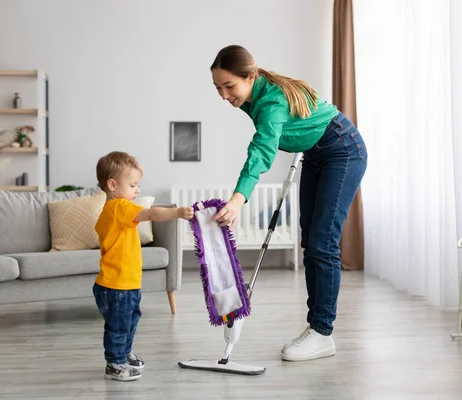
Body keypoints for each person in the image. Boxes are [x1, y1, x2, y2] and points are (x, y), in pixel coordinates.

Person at [210, 45, 367, 362]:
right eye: (218, 88)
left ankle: (322, 333)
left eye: (229, 86)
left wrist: (238, 200)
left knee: (323, 243)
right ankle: (316, 329)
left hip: (343, 150)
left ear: (251, 76)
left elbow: (261, 151)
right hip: (317, 154)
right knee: (310, 240)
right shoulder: (253, 95)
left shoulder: (272, 101)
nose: (224, 96)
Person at [93, 151, 193, 381]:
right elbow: (151, 213)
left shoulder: (113, 211)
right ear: (112, 185)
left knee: (128, 321)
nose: (137, 190)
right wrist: (177, 212)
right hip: (117, 285)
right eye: (133, 185)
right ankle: (115, 363)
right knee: (119, 326)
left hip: (124, 283)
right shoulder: (120, 207)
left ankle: (124, 354)